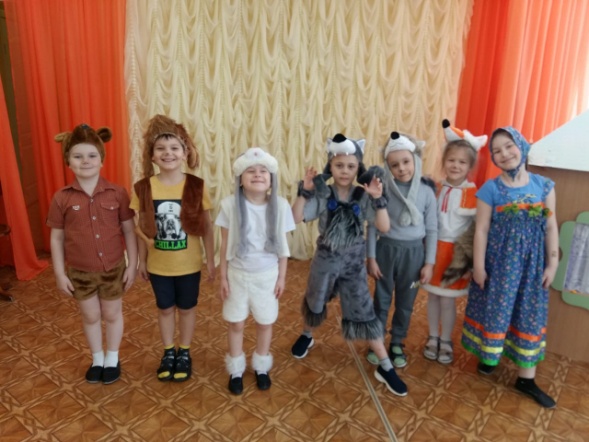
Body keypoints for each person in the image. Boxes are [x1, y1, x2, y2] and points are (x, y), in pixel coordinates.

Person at [291, 133, 408, 397]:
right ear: (330, 166)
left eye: (351, 166)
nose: (345, 171)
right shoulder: (323, 193)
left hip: (353, 264)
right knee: (315, 300)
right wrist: (305, 192)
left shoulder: (363, 195)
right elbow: (295, 217)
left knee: (364, 311)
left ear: (358, 168)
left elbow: (384, 227)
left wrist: (378, 200)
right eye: (339, 165)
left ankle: (385, 366)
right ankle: (307, 335)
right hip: (325, 261)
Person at [462, 126, 558, 408]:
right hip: (500, 267)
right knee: (497, 310)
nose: (504, 154)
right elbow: (481, 230)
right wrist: (478, 266)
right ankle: (489, 355)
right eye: (496, 151)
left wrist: (553, 262)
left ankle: (526, 378)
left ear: (522, 146)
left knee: (528, 314)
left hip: (532, 268)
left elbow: (551, 226)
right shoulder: (491, 189)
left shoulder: (544, 186)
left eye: (509, 146)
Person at [48, 123, 138, 384]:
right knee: (90, 315)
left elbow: (129, 231)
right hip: (80, 272)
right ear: (68, 161)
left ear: (101, 159)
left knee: (112, 314)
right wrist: (59, 273)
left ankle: (112, 357)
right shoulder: (62, 198)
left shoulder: (117, 193)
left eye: (91, 155)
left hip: (113, 269)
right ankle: (97, 358)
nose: (85, 161)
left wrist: (132, 264)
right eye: (78, 156)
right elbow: (56, 238)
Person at [131, 115, 215, 382]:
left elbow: (208, 227)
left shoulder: (196, 186)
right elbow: (142, 228)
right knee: (165, 309)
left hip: (189, 264)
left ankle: (185, 351)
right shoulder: (144, 188)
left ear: (185, 153)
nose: (168, 153)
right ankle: (169, 351)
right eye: (161, 148)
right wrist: (141, 261)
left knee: (187, 308)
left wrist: (211, 260)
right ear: (152, 156)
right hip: (159, 266)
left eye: (174, 148)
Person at [215, 147, 295, 395]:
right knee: (236, 323)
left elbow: (283, 247)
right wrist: (223, 277)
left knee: (264, 321)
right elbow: (224, 245)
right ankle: (236, 369)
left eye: (263, 171)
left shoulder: (281, 206)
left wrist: (282, 277)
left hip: (267, 276)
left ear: (272, 179)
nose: (258, 174)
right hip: (237, 276)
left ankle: (261, 365)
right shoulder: (229, 205)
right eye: (250, 171)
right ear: (240, 179)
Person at [366, 132, 437, 368]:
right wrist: (371, 257)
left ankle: (397, 341)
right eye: (394, 165)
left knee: (406, 302)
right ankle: (377, 341)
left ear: (415, 159)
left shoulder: (427, 192)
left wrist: (429, 263)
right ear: (388, 167)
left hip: (414, 255)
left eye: (406, 162)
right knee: (381, 300)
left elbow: (432, 229)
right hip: (386, 251)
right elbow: (372, 226)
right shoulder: (382, 189)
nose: (402, 168)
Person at [421, 120, 486, 364]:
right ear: (444, 161)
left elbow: (476, 230)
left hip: (455, 255)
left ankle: (446, 339)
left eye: (462, 162)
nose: (456, 165)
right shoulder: (436, 188)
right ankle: (432, 336)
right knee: (432, 297)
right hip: (433, 252)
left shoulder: (472, 193)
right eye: (451, 160)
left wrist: (470, 262)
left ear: (470, 165)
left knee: (448, 301)